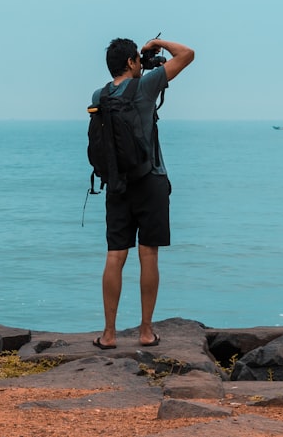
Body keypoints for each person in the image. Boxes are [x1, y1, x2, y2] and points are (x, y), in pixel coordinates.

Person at [92, 36, 194, 349]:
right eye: (138, 58)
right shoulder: (147, 85)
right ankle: (145, 332)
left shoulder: (100, 95)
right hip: (150, 180)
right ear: (132, 62)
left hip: (117, 184)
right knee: (147, 254)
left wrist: (141, 56)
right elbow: (187, 54)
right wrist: (158, 44)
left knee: (115, 255)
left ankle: (109, 335)